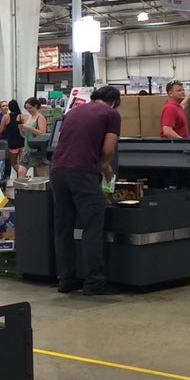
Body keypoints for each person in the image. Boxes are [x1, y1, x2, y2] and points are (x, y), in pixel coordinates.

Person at [49, 85, 121, 296]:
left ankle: (66, 280)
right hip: (82, 172)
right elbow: (108, 149)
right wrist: (105, 167)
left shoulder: (72, 112)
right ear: (115, 102)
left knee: (63, 227)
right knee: (92, 226)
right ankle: (93, 284)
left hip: (57, 170)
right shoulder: (111, 114)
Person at [0, 98, 25, 177]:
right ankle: (21, 177)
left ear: (9, 108)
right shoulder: (21, 116)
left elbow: (0, 130)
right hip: (22, 142)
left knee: (13, 162)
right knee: (22, 163)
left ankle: (21, 175)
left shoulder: (6, 117)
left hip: (12, 143)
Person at [19, 97, 49, 177]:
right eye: (27, 108)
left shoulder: (40, 117)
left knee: (40, 173)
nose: (28, 110)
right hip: (27, 148)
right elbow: (24, 135)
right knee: (21, 171)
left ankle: (45, 185)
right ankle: (20, 185)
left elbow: (42, 133)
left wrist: (29, 128)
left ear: (35, 106)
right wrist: (21, 129)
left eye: (30, 108)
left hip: (37, 149)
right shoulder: (29, 117)